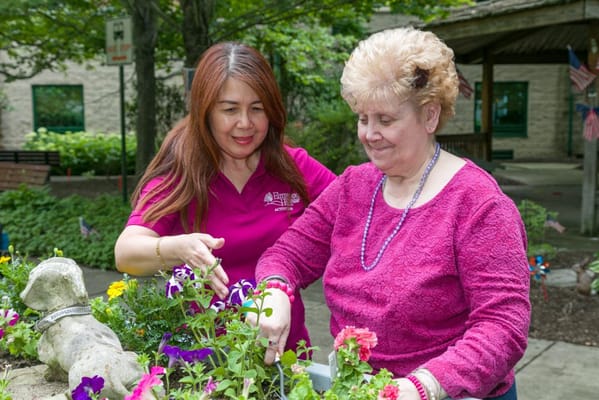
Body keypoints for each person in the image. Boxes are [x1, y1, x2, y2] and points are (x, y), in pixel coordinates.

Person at [254, 27, 530, 400]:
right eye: (362, 118)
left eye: (385, 120)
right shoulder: (353, 187)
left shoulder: (479, 205)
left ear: (430, 116)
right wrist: (274, 294)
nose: (368, 133)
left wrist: (424, 385)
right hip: (358, 389)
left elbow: (503, 325)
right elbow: (285, 255)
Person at [114, 41, 336, 354]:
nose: (245, 123)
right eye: (230, 109)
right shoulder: (183, 171)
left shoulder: (293, 166)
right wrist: (179, 247)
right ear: (205, 112)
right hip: (200, 365)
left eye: (257, 108)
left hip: (285, 360)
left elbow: (358, 209)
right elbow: (126, 252)